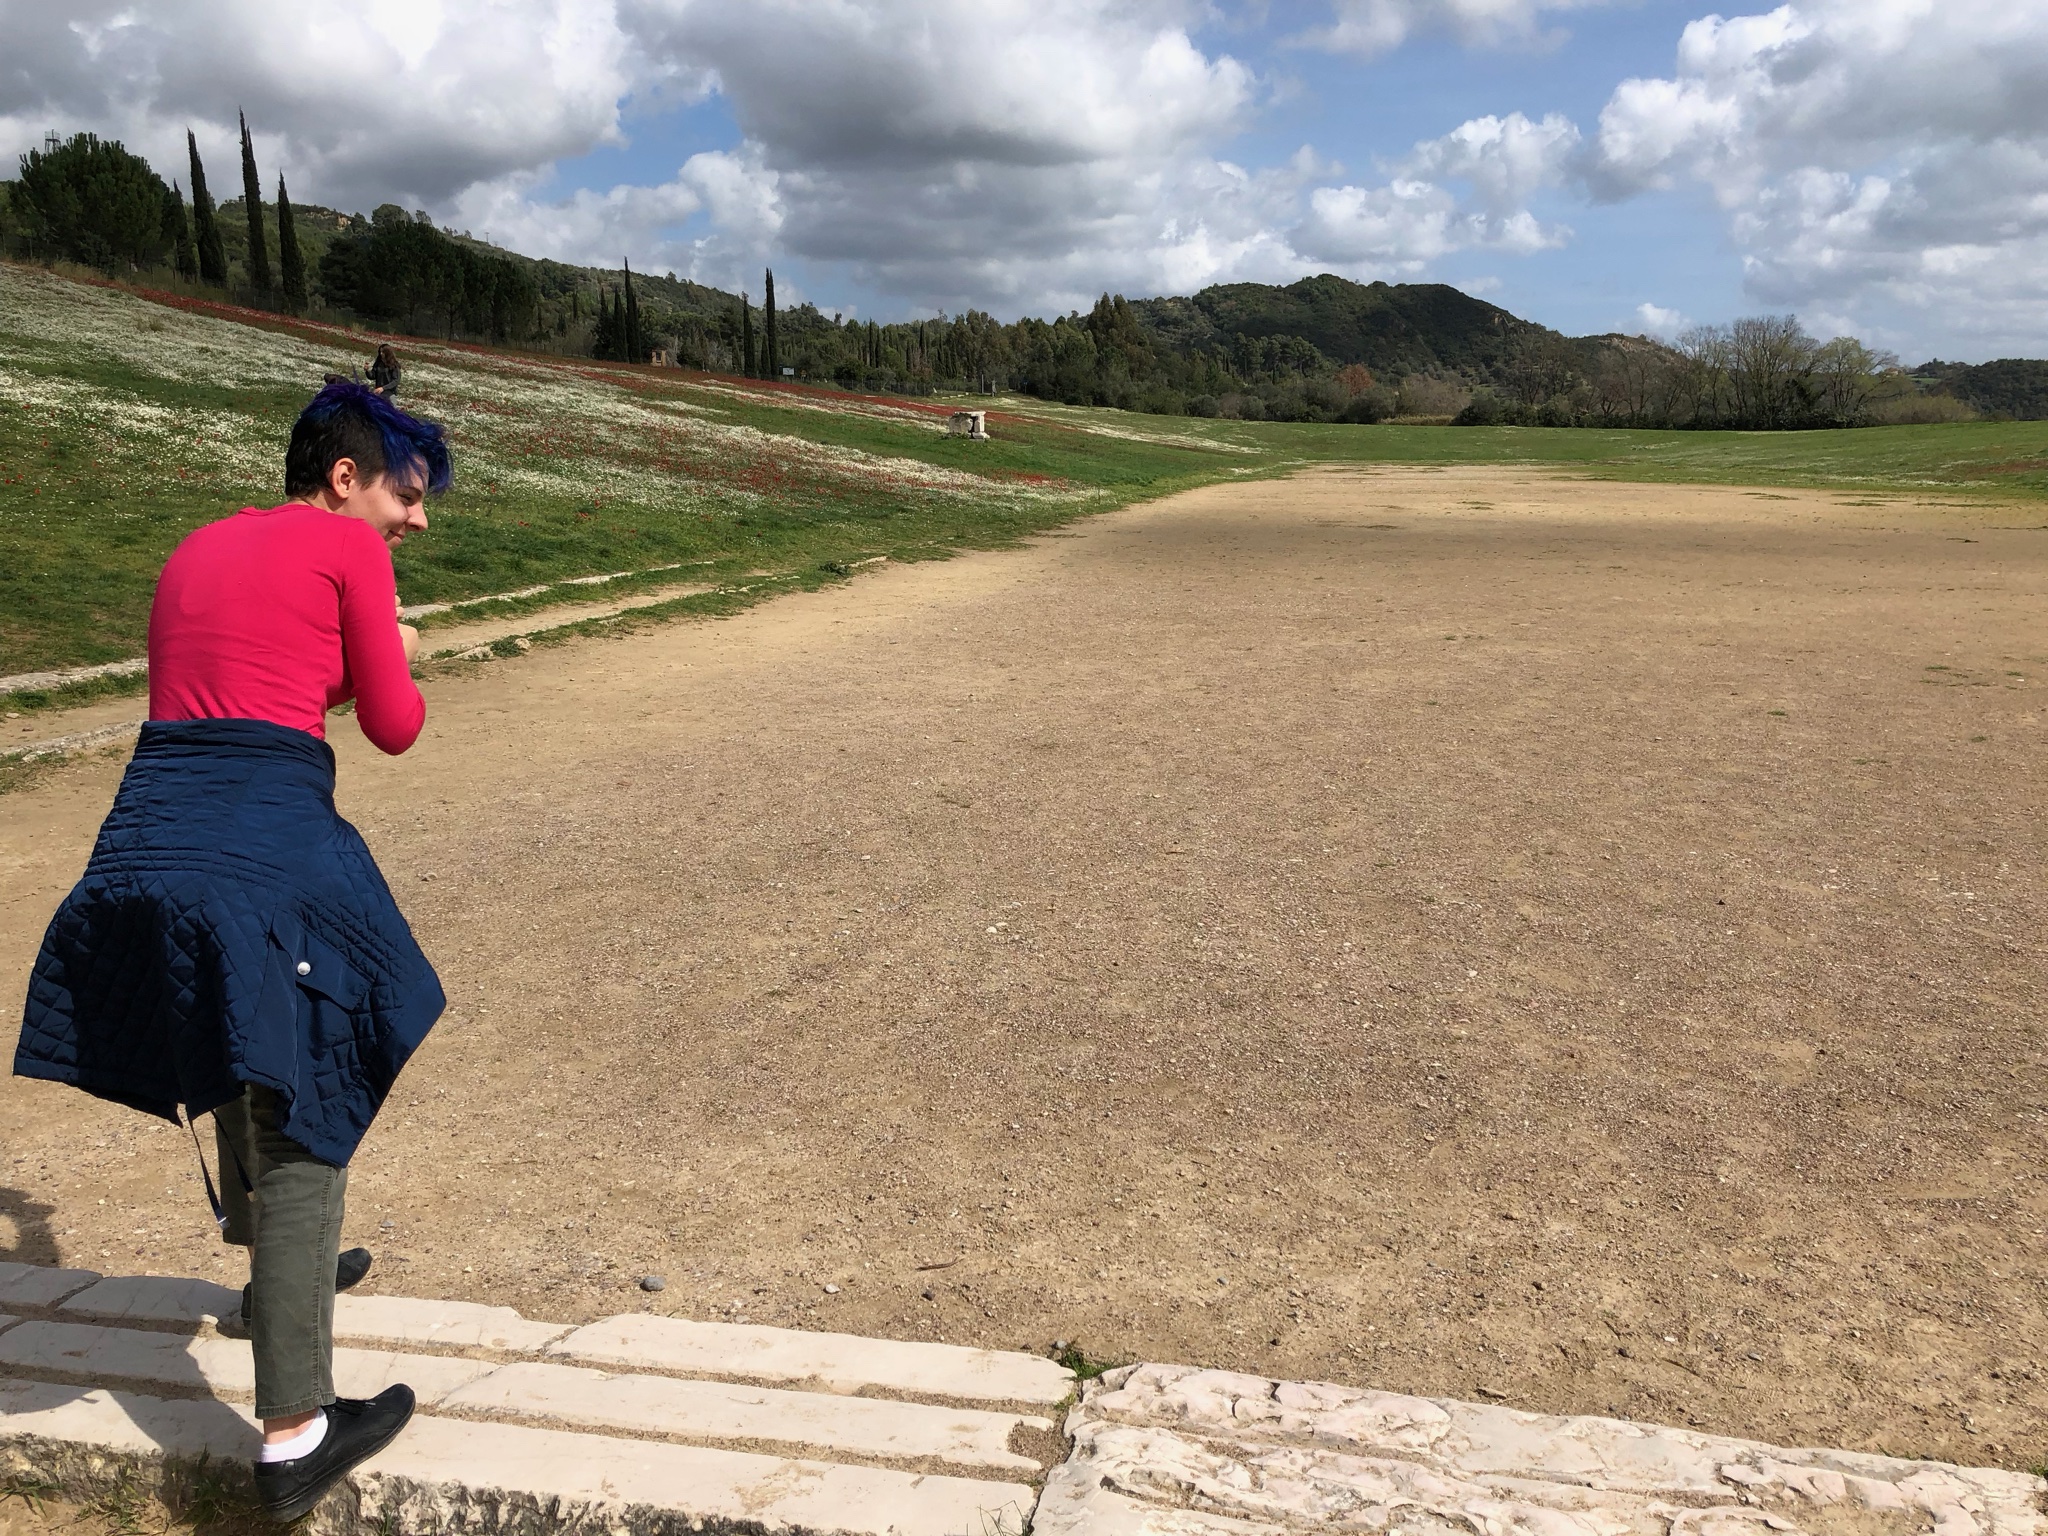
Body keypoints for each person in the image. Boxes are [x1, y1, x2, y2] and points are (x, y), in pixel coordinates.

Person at [14, 380, 452, 1523]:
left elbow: (265, 682)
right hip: (257, 836)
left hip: (141, 846)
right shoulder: (346, 550)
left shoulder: (197, 544)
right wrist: (398, 646)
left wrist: (363, 656)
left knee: (243, 1021)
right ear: (345, 478)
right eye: (408, 495)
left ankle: (276, 1287)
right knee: (318, 1068)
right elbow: (394, 727)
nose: (417, 521)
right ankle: (298, 1432)